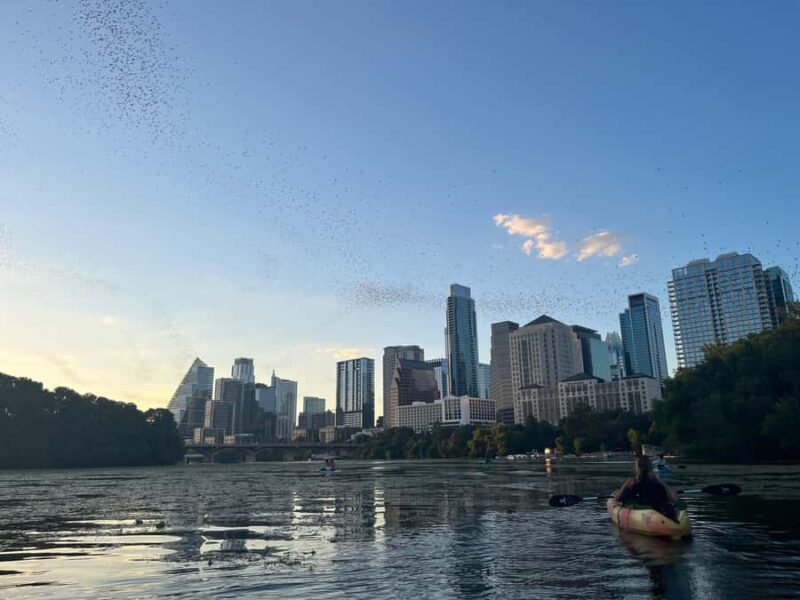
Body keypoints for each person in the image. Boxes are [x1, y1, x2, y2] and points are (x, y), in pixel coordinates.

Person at [613, 455, 678, 520]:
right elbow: (672, 500)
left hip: (639, 516)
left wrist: (616, 493)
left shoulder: (631, 482)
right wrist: (673, 493)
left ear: (637, 467)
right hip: (657, 514)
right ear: (650, 467)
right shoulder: (658, 483)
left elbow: (618, 498)